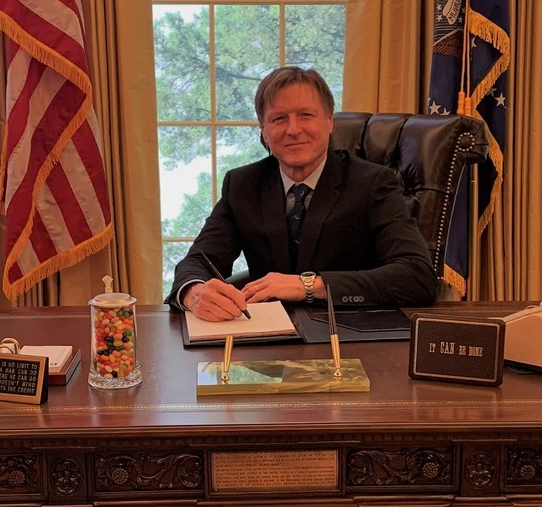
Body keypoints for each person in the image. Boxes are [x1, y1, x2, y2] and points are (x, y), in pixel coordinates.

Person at [170, 66, 440, 322]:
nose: (293, 129)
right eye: (278, 119)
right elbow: (199, 260)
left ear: (330, 122)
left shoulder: (373, 183)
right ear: (264, 132)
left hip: (352, 333)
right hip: (267, 341)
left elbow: (417, 276)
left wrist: (309, 285)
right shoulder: (242, 184)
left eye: (306, 115)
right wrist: (193, 292)